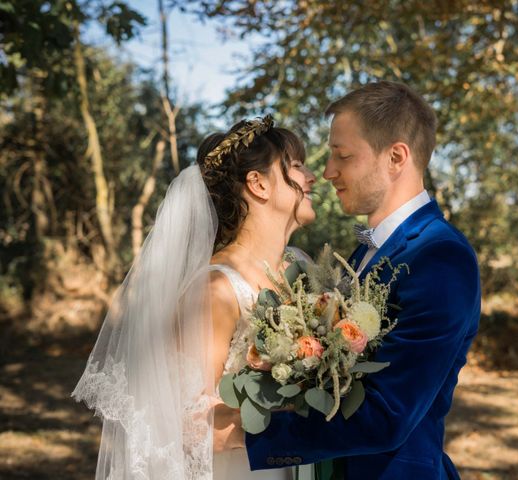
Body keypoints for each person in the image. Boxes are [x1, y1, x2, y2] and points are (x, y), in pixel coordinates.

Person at [217, 81, 481, 479]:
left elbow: (388, 415)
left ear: (395, 157)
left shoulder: (440, 258)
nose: (327, 172)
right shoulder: (364, 254)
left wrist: (247, 434)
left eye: (342, 156)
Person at [71, 116, 317, 479]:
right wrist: (292, 421)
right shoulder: (215, 290)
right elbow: (187, 423)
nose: (311, 177)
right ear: (258, 184)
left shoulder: (302, 266)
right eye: (296, 166)